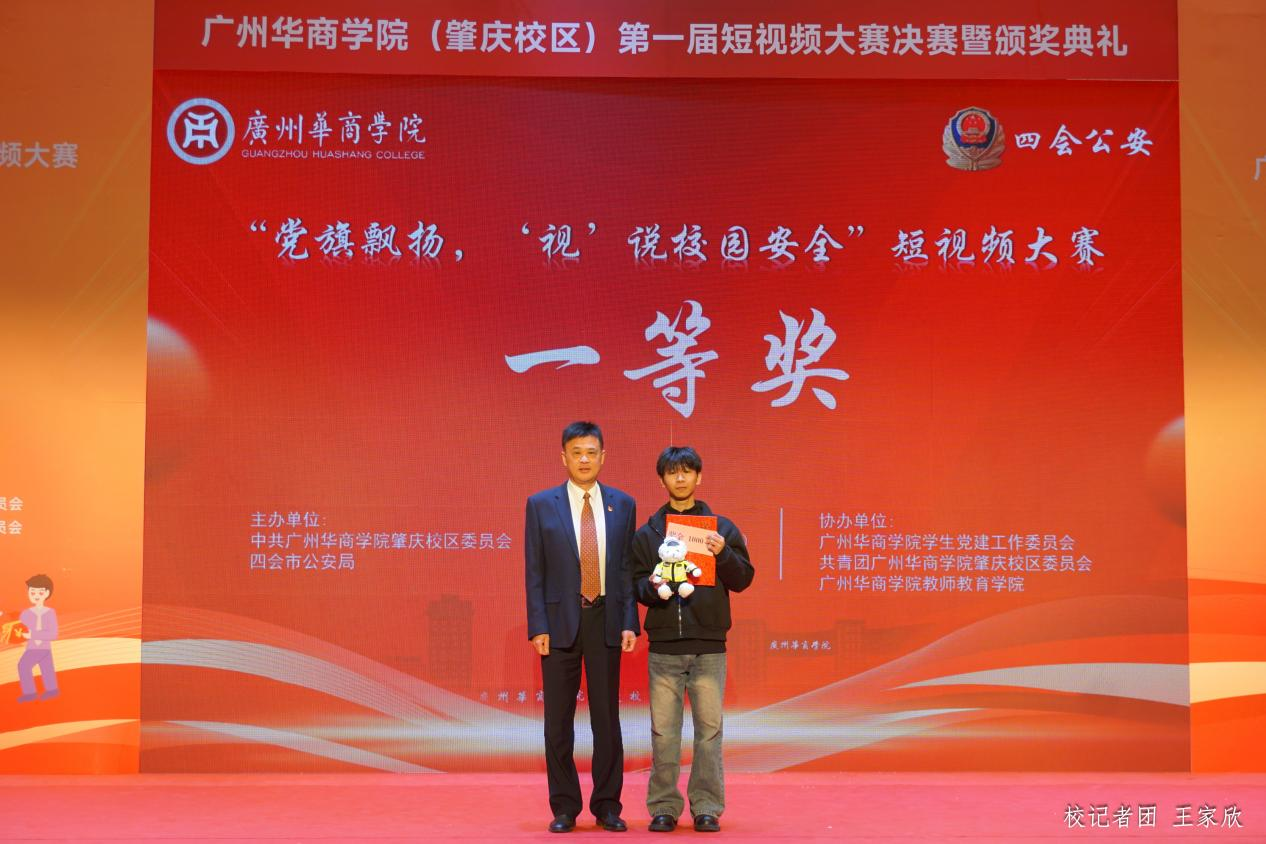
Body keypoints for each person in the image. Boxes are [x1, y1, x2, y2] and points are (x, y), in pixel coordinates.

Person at [631, 446, 754, 833]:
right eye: (673, 472)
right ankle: (663, 806)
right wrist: (657, 584)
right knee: (664, 734)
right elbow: (635, 585)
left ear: (699, 477)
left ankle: (707, 807)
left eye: (687, 471)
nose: (680, 478)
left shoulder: (722, 529)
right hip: (665, 649)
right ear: (662, 480)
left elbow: (744, 579)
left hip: (709, 648)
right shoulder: (648, 534)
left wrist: (723, 554)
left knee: (709, 734)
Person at [525, 421, 640, 833]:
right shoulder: (541, 504)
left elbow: (626, 569)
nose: (585, 459)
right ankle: (564, 807)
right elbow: (534, 570)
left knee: (606, 719)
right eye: (577, 452)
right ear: (564, 457)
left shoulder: (623, 504)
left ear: (603, 456)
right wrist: (538, 625)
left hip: (605, 619)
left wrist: (629, 621)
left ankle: (607, 805)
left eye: (591, 452)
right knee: (557, 722)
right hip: (559, 624)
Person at [17, 574, 60, 702]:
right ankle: (50, 690)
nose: (36, 595)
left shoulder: (50, 613)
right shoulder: (25, 614)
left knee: (24, 666)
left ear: (47, 593)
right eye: (32, 592)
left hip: (43, 647)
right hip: (31, 646)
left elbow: (53, 634)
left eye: (40, 592)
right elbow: (19, 630)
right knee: (46, 667)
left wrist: (33, 635)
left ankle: (32, 692)